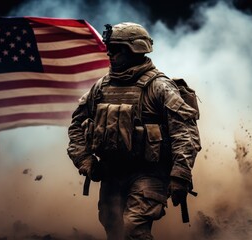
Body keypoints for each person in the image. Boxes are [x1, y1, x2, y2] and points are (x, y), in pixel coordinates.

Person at [67, 22, 201, 240]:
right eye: (109, 48)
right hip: (112, 172)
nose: (110, 53)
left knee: (133, 228)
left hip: (149, 173)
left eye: (117, 48)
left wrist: (180, 174)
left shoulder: (159, 87)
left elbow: (184, 133)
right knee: (112, 226)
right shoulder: (101, 87)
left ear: (135, 49)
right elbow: (76, 126)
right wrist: (85, 160)